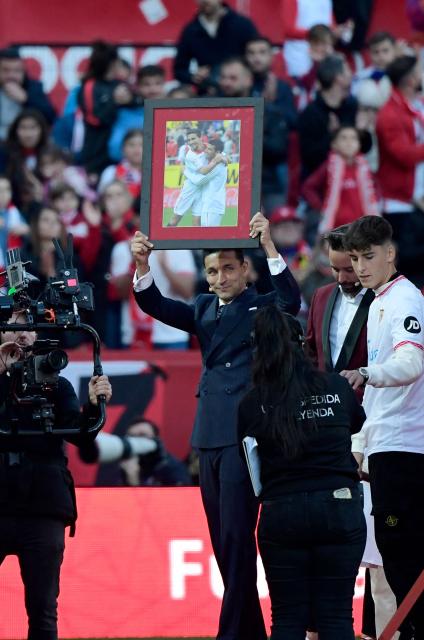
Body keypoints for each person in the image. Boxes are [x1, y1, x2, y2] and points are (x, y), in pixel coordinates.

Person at [130, 212, 301, 640]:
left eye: (228, 267)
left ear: (246, 270)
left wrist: (268, 247)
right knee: (224, 542)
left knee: (237, 536)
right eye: (212, 270)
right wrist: (143, 266)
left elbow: (290, 302)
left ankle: (229, 634)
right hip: (207, 435)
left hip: (243, 438)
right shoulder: (204, 308)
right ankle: (250, 634)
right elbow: (156, 305)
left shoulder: (261, 306)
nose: (219, 277)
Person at [238, 305, 366, 639]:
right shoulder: (337, 387)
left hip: (282, 512)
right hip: (339, 507)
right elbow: (356, 425)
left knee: (287, 620)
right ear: (302, 344)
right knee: (337, 617)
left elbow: (248, 461)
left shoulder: (252, 403)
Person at [0, 308, 112, 640]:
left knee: (43, 610)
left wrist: (93, 405)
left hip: (42, 508)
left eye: (30, 329)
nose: (23, 334)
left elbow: (79, 433)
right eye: (13, 328)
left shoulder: (56, 382)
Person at [341, 215, 424, 638]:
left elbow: (412, 362)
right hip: (386, 443)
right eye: (354, 257)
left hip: (405, 446)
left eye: (368, 256)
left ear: (390, 254)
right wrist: (361, 441)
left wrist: (367, 372)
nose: (359, 266)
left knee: (402, 556)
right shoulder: (379, 301)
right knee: (392, 558)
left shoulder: (405, 300)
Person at [375, 54, 424, 288]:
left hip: (414, 199)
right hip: (399, 202)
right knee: (410, 266)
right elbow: (404, 155)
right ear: (409, 79)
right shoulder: (389, 114)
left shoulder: (412, 106)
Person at [306, 224, 373, 375]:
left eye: (349, 270)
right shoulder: (321, 296)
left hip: (369, 397)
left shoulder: (387, 299)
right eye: (335, 269)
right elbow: (311, 354)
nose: (341, 279)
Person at [301, 126, 380, 234]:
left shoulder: (364, 168)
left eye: (354, 138)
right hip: (337, 228)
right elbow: (308, 187)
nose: (349, 142)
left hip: (361, 229)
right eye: (343, 138)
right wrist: (321, 207)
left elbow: (375, 190)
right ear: (334, 144)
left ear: (359, 144)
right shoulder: (329, 167)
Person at [174, 0, 258, 94]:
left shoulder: (243, 25)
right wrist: (193, 76)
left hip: (245, 94)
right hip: (208, 95)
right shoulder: (190, 31)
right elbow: (179, 70)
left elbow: (258, 58)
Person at [0, 47, 56, 141]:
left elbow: (50, 117)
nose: (11, 75)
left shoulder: (33, 88)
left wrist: (26, 99)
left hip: (24, 143)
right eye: (6, 70)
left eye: (17, 71)